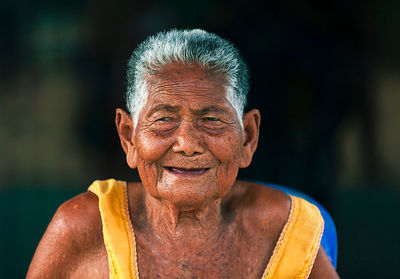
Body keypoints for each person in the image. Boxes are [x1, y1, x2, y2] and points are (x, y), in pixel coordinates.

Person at [27, 29, 339, 279]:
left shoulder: (287, 232)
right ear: (129, 138)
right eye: (164, 120)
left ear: (248, 138)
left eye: (212, 120)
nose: (187, 143)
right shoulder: (82, 231)